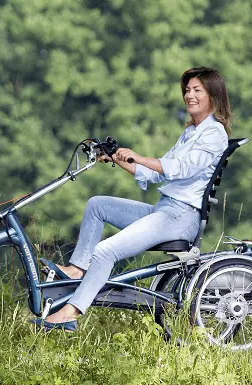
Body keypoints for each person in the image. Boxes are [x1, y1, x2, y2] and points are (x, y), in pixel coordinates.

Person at [34, 66, 232, 331]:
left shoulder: (214, 133)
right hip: (164, 210)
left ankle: (71, 312)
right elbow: (155, 175)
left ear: (213, 96)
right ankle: (77, 269)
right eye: (187, 90)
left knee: (105, 251)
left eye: (197, 90)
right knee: (97, 205)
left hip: (180, 217)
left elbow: (179, 168)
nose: (189, 95)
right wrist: (118, 158)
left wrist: (137, 155)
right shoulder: (191, 132)